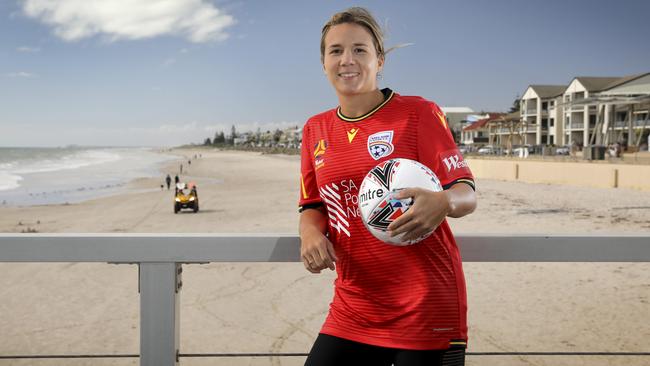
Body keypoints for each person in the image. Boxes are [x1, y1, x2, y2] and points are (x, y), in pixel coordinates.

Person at [298, 7, 477, 366]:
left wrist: (442, 201)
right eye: (336, 51)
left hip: (426, 305)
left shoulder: (418, 113)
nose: (347, 60)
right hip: (353, 305)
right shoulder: (314, 130)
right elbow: (313, 204)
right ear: (323, 63)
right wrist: (308, 234)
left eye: (359, 50)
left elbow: (466, 192)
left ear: (379, 60)